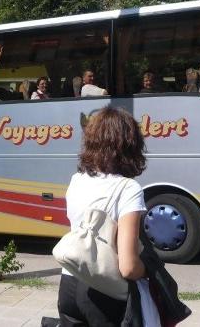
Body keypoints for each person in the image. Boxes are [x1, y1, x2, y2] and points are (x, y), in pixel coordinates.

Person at [58, 106, 146, 326]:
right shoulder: (128, 188)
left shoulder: (77, 180)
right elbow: (128, 266)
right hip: (104, 291)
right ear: (130, 144)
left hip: (69, 284)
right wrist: (149, 272)